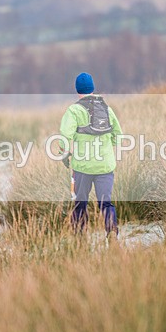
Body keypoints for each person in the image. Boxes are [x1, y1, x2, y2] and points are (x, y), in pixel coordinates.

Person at [59, 72, 122, 236]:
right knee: (106, 204)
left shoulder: (74, 110)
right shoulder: (106, 108)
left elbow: (65, 137)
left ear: (77, 90)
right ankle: (112, 235)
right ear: (93, 88)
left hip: (82, 167)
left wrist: (65, 155)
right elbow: (118, 135)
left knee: (80, 203)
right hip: (105, 166)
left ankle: (79, 239)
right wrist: (107, 149)